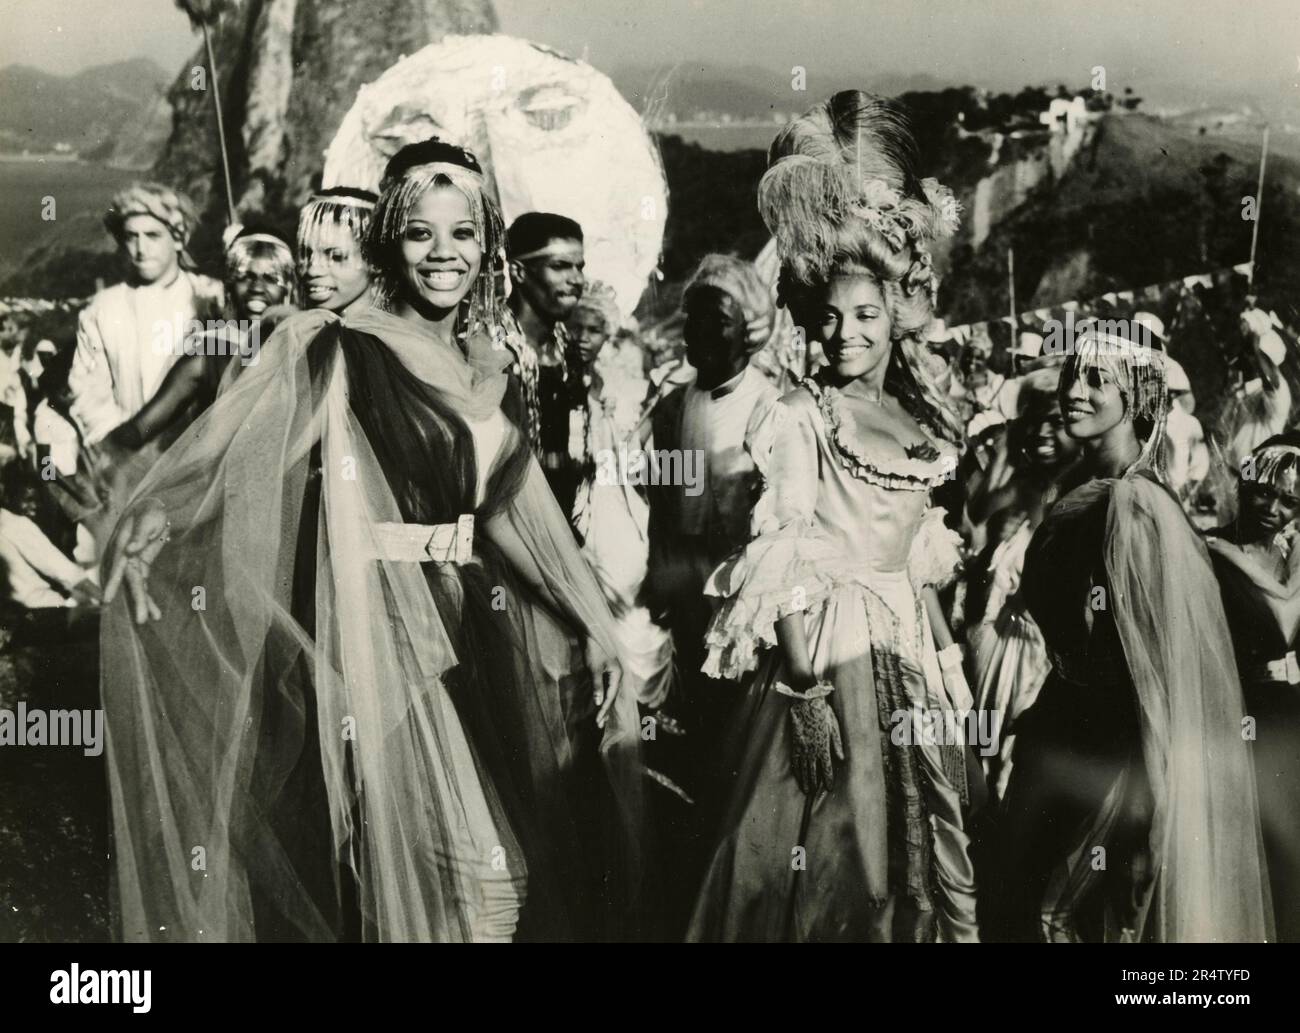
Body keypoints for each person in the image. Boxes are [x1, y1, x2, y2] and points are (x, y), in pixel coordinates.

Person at [98, 138, 642, 943]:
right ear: (393, 239)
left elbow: (492, 516)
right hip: (377, 644)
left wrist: (586, 618)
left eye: (462, 234)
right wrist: (159, 513)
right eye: (421, 232)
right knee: (479, 883)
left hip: (468, 639)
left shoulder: (484, 366)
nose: (442, 254)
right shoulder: (340, 345)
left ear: (488, 243)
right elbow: (236, 451)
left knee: (443, 885)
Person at [688, 92, 979, 942]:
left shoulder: (917, 424)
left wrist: (952, 662)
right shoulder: (801, 414)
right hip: (830, 651)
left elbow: (918, 558)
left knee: (922, 833)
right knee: (835, 843)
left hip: (908, 651)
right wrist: (804, 688)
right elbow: (781, 550)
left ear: (898, 317)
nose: (846, 333)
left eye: (867, 316)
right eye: (832, 317)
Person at [991, 322, 1273, 942]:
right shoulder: (1087, 490)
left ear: (1137, 401)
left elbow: (1147, 666)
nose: (1076, 392)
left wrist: (1146, 793)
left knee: (1056, 913)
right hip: (1060, 731)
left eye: (1100, 380)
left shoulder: (1131, 505)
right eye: (1074, 376)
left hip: (1105, 749)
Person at [1204, 433, 1300, 941]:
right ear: (1244, 484)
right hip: (1238, 715)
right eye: (1264, 491)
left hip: (1292, 719)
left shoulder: (1294, 557)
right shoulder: (1208, 552)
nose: (1273, 508)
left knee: (1290, 857)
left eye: (1290, 501)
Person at [964, 367, 1076, 799]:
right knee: (983, 753)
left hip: (1044, 653)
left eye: (1058, 421)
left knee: (1022, 767)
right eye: (1036, 421)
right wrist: (991, 542)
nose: (1044, 432)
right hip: (992, 640)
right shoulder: (1008, 488)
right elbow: (970, 573)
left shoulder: (1083, 495)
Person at [102, 226, 296, 453]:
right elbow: (140, 428)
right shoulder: (210, 353)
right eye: (245, 277)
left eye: (271, 278)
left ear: (287, 288)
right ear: (230, 285)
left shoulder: (303, 344)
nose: (257, 288)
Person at [66, 183, 224, 445]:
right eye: (131, 236)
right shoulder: (103, 309)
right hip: (129, 462)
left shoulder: (211, 297)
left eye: (152, 235)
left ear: (178, 238)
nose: (141, 248)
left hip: (200, 454)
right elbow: (87, 393)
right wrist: (126, 454)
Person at [504, 212, 586, 512]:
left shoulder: (567, 348)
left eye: (579, 267)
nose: (576, 279)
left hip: (566, 514)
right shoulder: (491, 350)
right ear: (519, 272)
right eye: (560, 266)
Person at [296, 187, 376, 315]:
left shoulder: (398, 333)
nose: (312, 271)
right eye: (307, 254)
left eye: (336, 257)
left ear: (375, 261)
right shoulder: (285, 328)